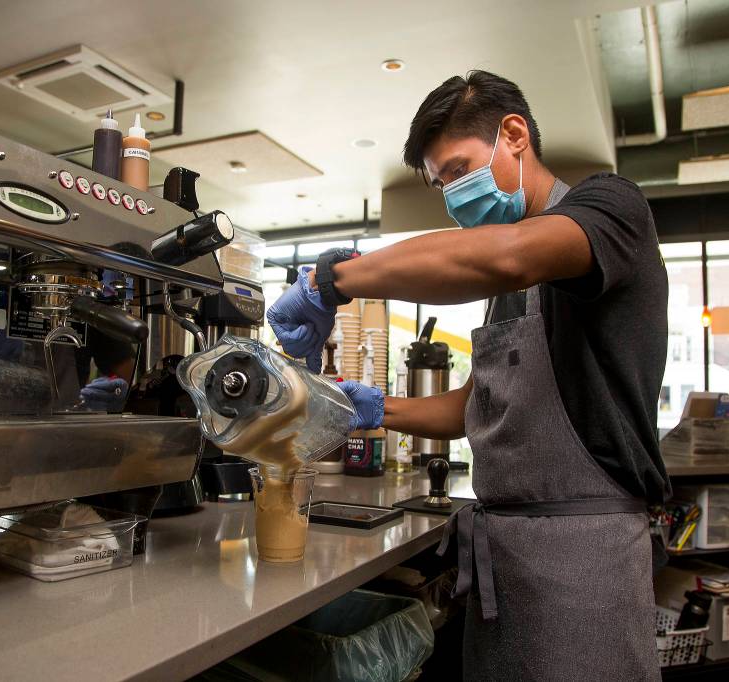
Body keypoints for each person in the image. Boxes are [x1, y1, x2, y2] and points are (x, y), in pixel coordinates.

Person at [266, 70, 670, 681]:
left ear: (513, 134)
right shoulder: (502, 292)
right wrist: (369, 409)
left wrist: (332, 280)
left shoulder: (609, 209)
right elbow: (483, 404)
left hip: (583, 552)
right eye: (440, 184)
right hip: (502, 553)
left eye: (458, 170)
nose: (452, 194)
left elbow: (508, 256)